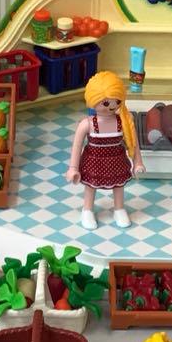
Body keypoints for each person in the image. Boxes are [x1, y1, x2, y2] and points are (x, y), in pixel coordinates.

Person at [66, 71, 145, 230]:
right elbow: (77, 146)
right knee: (91, 186)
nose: (112, 106)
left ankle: (119, 208)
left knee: (118, 186)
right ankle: (87, 210)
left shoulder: (124, 121)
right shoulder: (87, 124)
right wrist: (73, 168)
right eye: (106, 103)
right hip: (93, 161)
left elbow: (133, 143)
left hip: (117, 160)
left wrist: (138, 162)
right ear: (93, 100)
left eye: (117, 101)